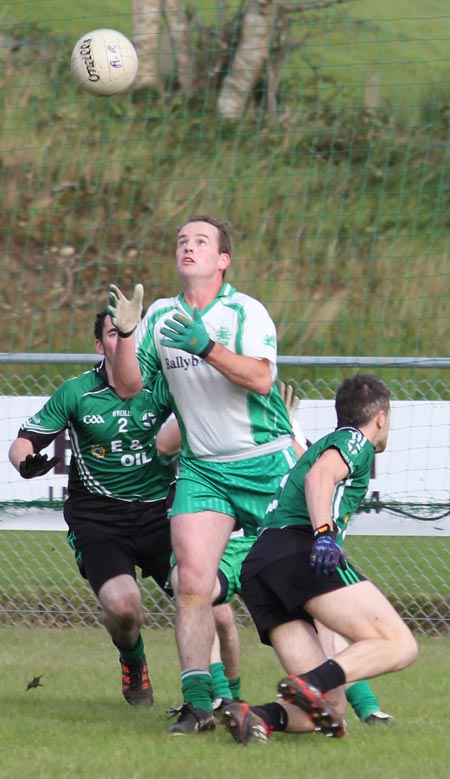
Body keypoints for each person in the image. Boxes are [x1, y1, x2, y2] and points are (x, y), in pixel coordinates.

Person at [107, 215, 299, 734]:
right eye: (181, 241)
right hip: (203, 469)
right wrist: (127, 335)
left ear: (222, 259)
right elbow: (128, 387)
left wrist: (207, 347)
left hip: (265, 463)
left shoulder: (245, 311)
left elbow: (261, 378)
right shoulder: (162, 315)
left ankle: (335, 691)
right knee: (191, 583)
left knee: (301, 585)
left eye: (200, 241)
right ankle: (197, 705)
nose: (187, 248)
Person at [222, 374, 418, 744]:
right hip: (298, 551)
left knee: (329, 708)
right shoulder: (355, 440)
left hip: (260, 566)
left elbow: (312, 471)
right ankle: (308, 683)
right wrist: (325, 534)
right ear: (380, 417)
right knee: (399, 644)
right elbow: (320, 477)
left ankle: (255, 717)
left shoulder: (328, 442)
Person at [9, 309, 175, 706]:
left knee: (204, 598)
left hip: (162, 517)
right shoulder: (77, 392)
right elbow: (22, 441)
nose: (123, 342)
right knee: (124, 608)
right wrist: (25, 463)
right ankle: (133, 661)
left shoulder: (164, 387)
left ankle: (211, 696)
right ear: (100, 345)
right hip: (100, 523)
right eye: (115, 334)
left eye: (130, 334)